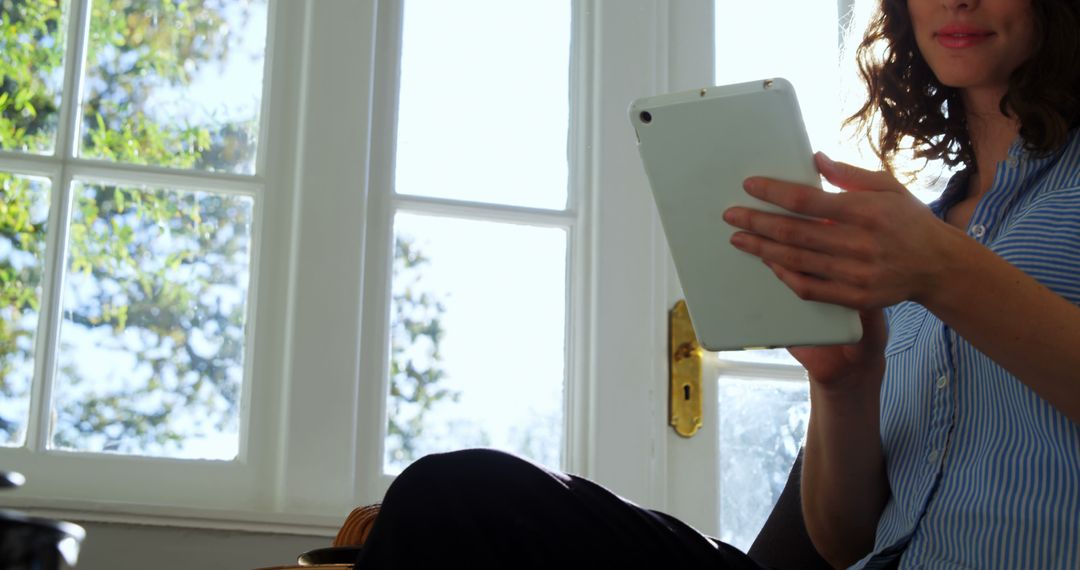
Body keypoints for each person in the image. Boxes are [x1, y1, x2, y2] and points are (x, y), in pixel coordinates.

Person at [354, 0, 1080, 568]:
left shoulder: (919, 250)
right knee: (454, 501)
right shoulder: (903, 238)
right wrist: (843, 383)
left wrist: (941, 270)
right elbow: (840, 542)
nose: (956, 0)